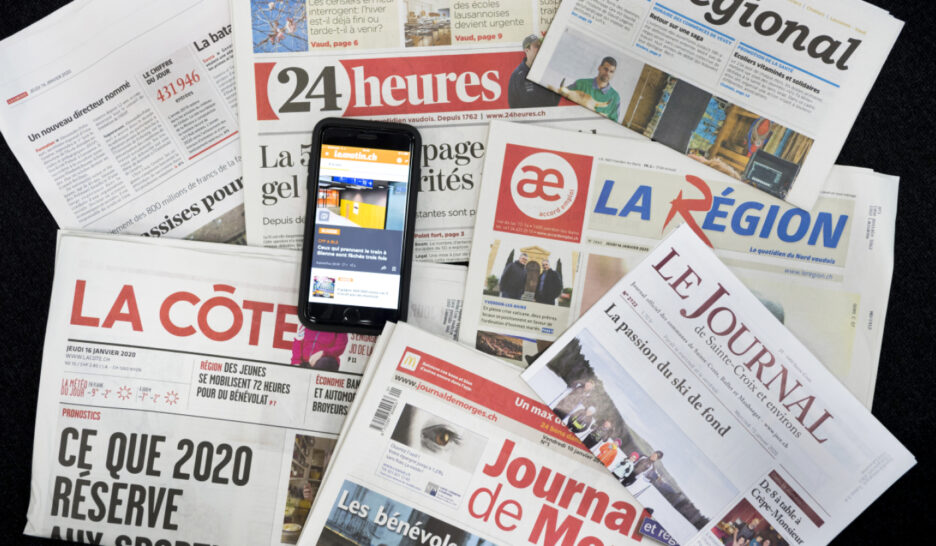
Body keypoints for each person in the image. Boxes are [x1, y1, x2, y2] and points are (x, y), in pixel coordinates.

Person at [508, 34, 561, 109]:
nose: (540, 48)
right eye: (536, 46)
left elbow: (556, 97)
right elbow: (513, 105)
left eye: (541, 45)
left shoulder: (548, 71)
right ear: (527, 50)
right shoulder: (516, 75)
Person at [567, 57, 621, 121]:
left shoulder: (615, 98)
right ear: (599, 68)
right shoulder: (580, 84)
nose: (607, 73)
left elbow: (613, 124)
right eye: (605, 69)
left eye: (611, 71)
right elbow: (562, 96)